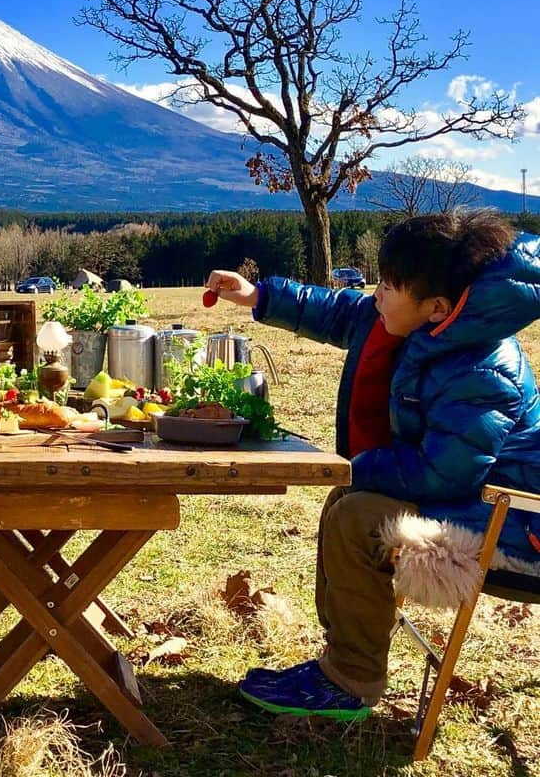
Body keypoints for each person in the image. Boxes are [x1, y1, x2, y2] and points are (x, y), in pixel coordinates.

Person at [204, 210, 540, 720]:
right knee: (347, 504)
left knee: (360, 519)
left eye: (387, 285)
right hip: (468, 496)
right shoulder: (421, 325)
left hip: (511, 523)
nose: (375, 293)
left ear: (437, 307)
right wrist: (257, 295)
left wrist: (355, 467)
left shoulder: (480, 370)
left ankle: (350, 680)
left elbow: (445, 472)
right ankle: (341, 654)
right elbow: (338, 311)